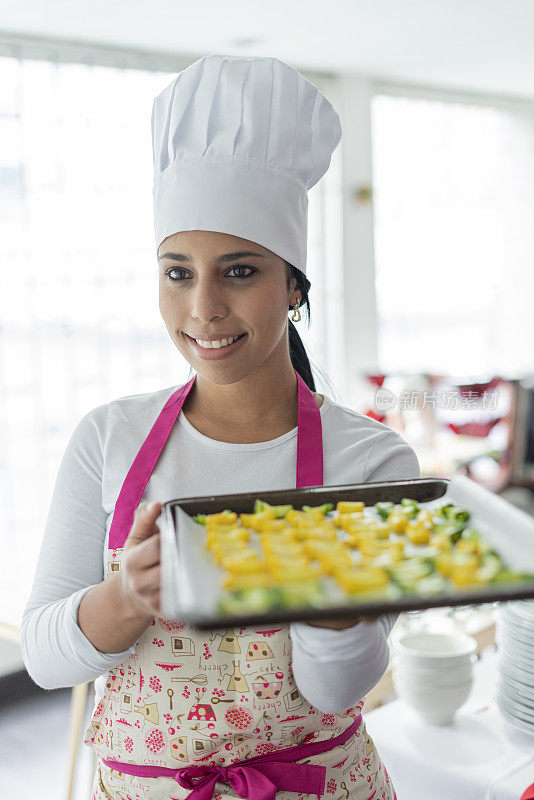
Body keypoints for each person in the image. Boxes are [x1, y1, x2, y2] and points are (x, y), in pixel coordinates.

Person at [21, 55, 420, 800]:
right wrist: (126, 600)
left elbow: (335, 692)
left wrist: (332, 607)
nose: (202, 309)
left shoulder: (372, 461)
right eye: (178, 272)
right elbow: (47, 659)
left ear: (293, 284)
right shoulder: (108, 436)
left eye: (239, 271)